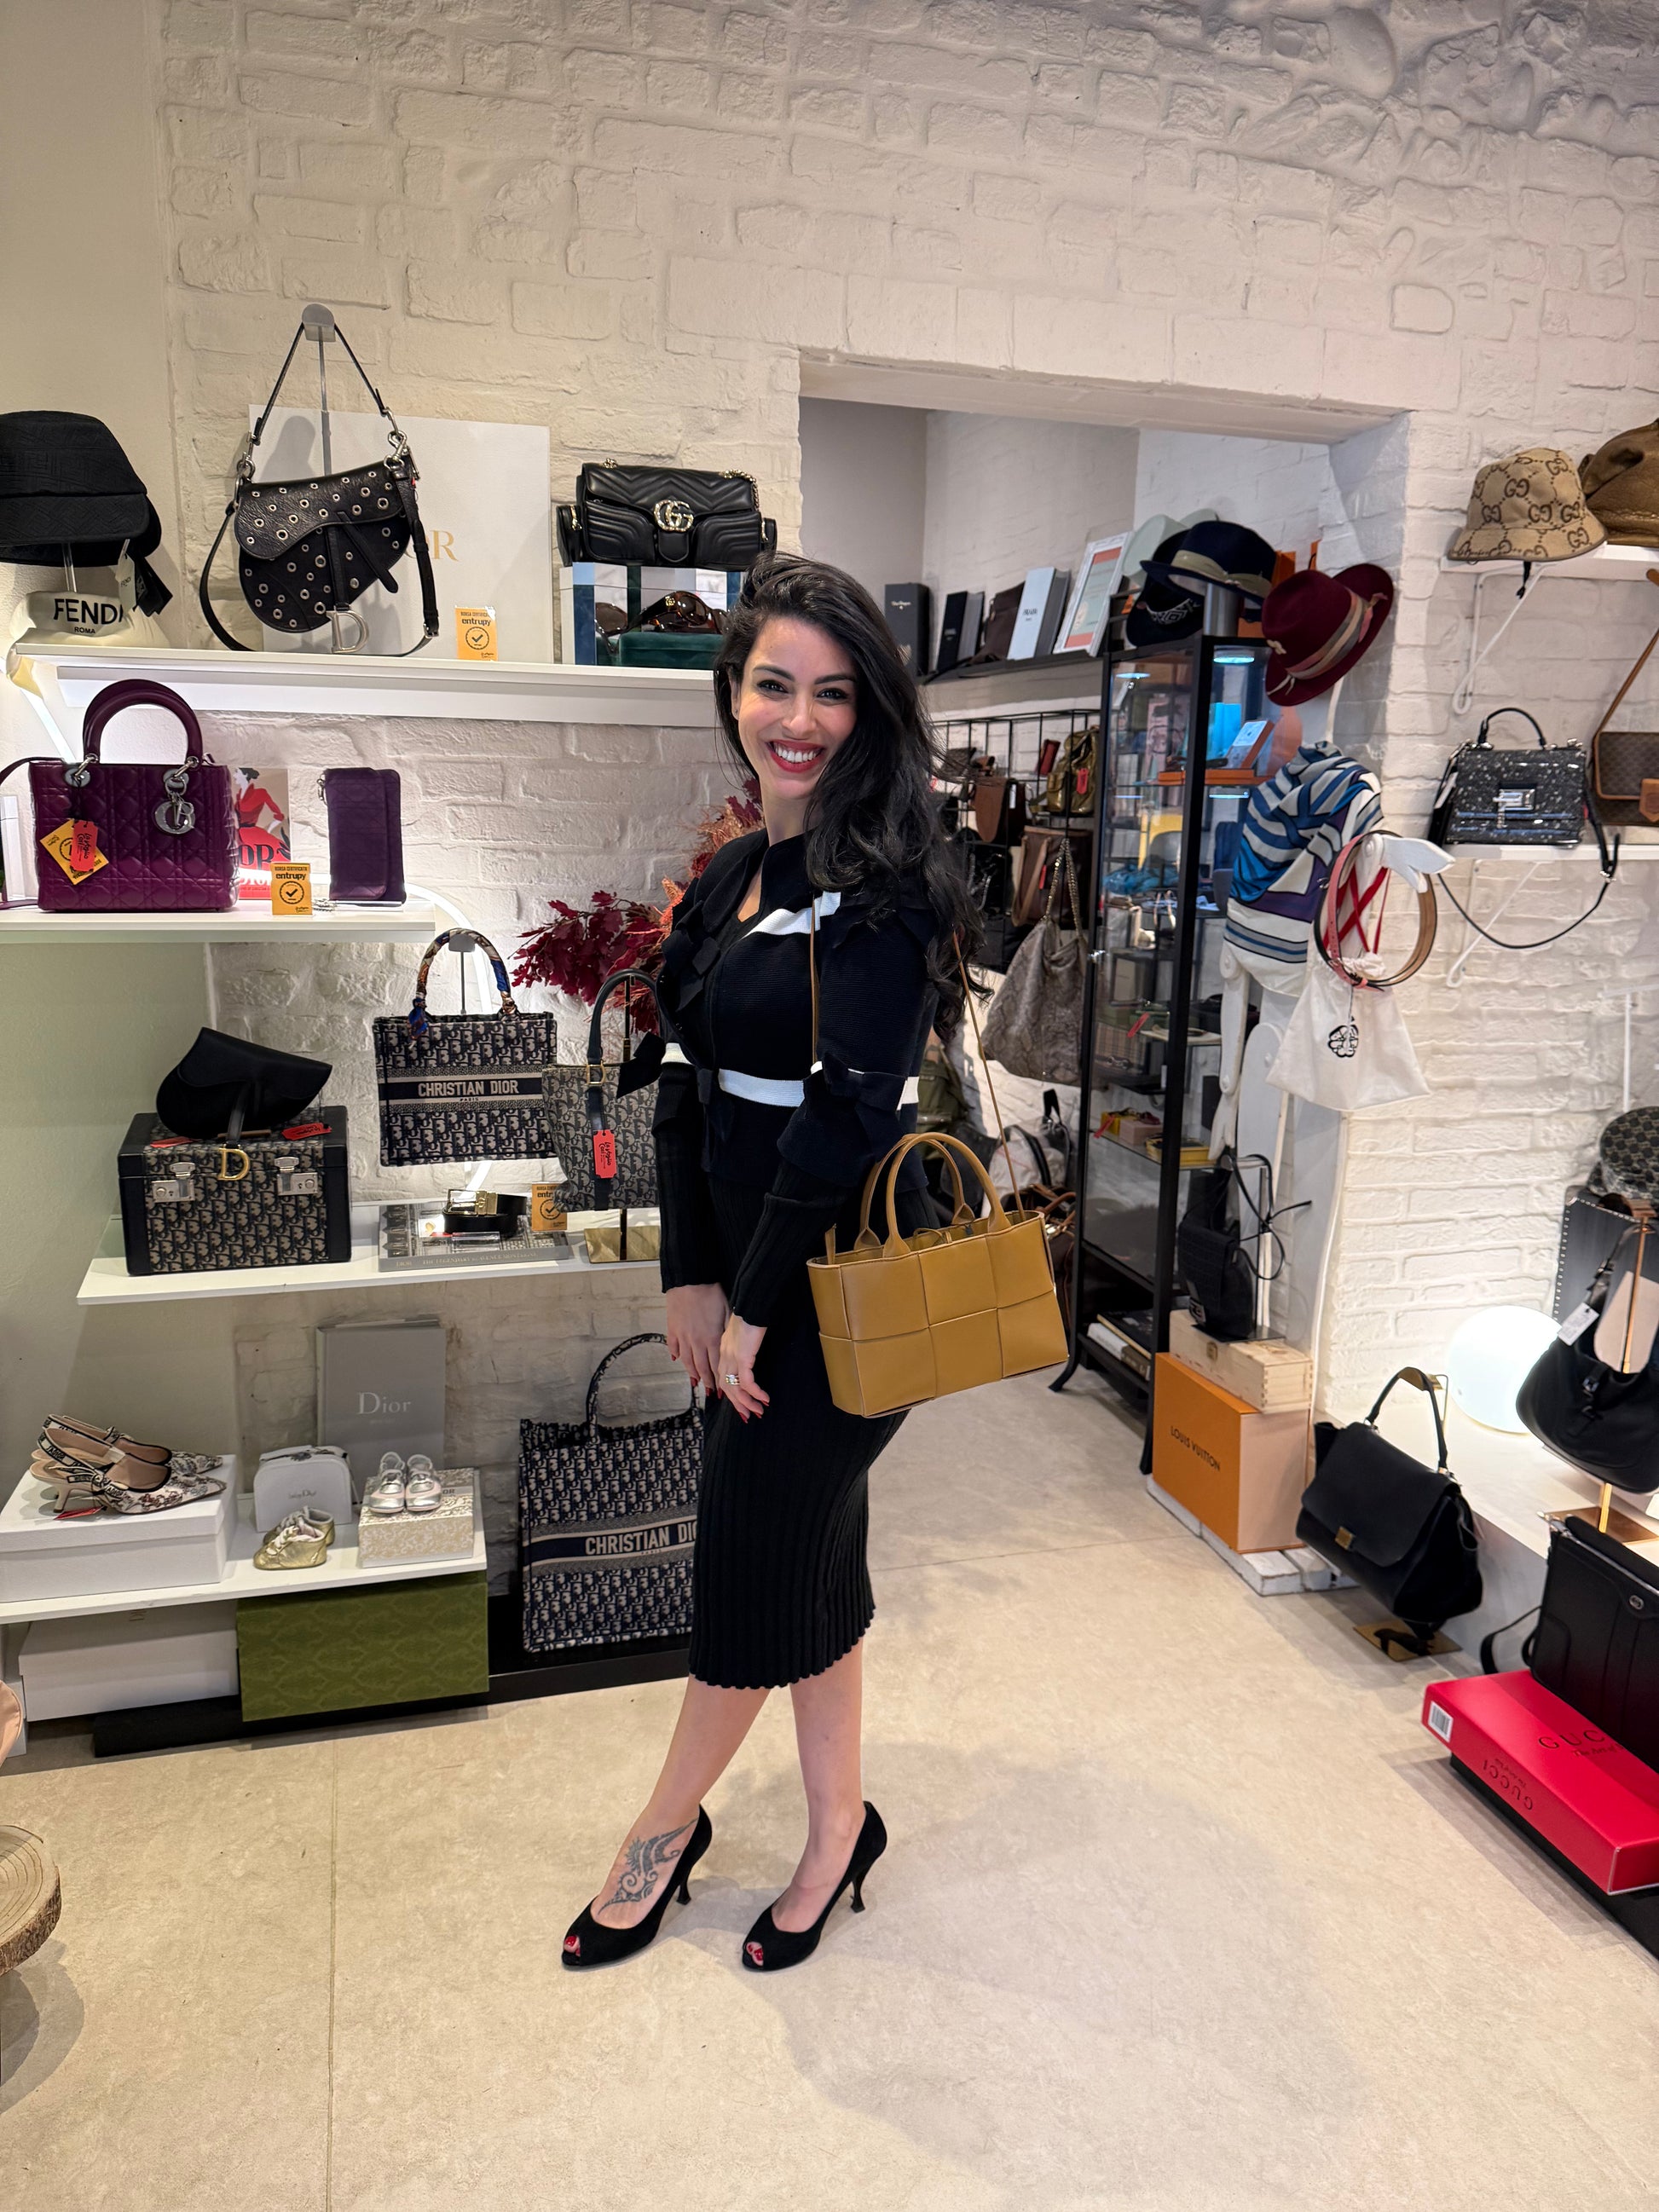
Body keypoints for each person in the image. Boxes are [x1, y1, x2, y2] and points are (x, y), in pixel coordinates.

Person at [563, 553, 978, 1974]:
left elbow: (852, 1113)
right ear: (732, 694)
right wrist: (690, 1276)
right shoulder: (733, 876)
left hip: (837, 1284)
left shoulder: (890, 889)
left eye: (833, 693)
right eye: (773, 686)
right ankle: (836, 1825)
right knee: (809, 1557)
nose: (799, 720)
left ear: (871, 711)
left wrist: (749, 1307)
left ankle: (658, 1833)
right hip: (739, 1276)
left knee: (747, 1573)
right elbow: (678, 1079)